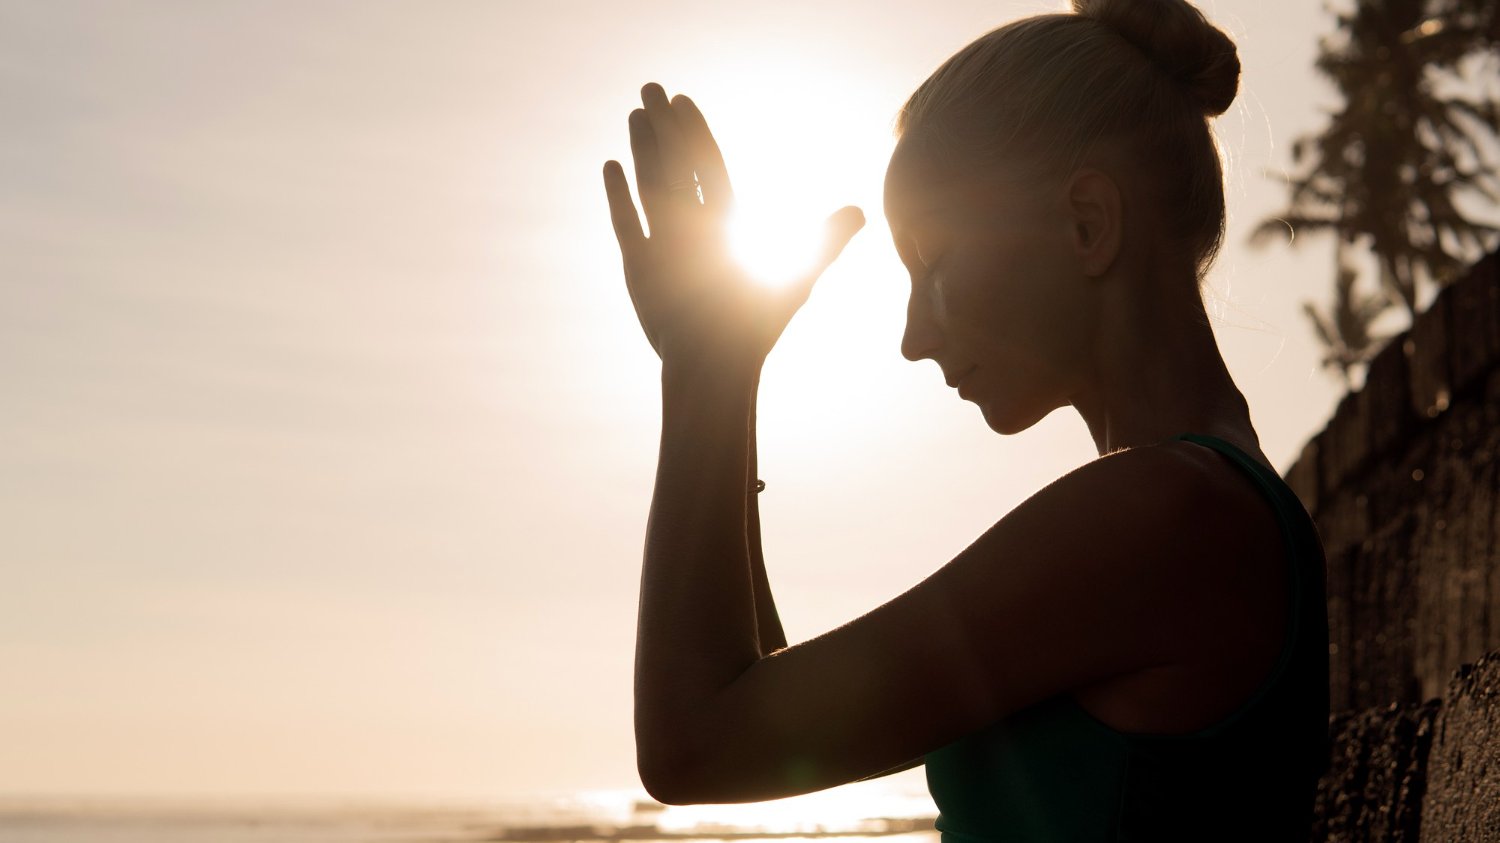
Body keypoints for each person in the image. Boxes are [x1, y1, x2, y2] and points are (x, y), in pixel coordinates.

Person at [600, 0, 1330, 838]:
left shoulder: (1167, 513)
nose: (914, 336)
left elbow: (695, 743)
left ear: (1088, 223)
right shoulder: (1198, 504)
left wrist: (706, 373)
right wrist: (726, 384)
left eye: (934, 260)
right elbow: (773, 704)